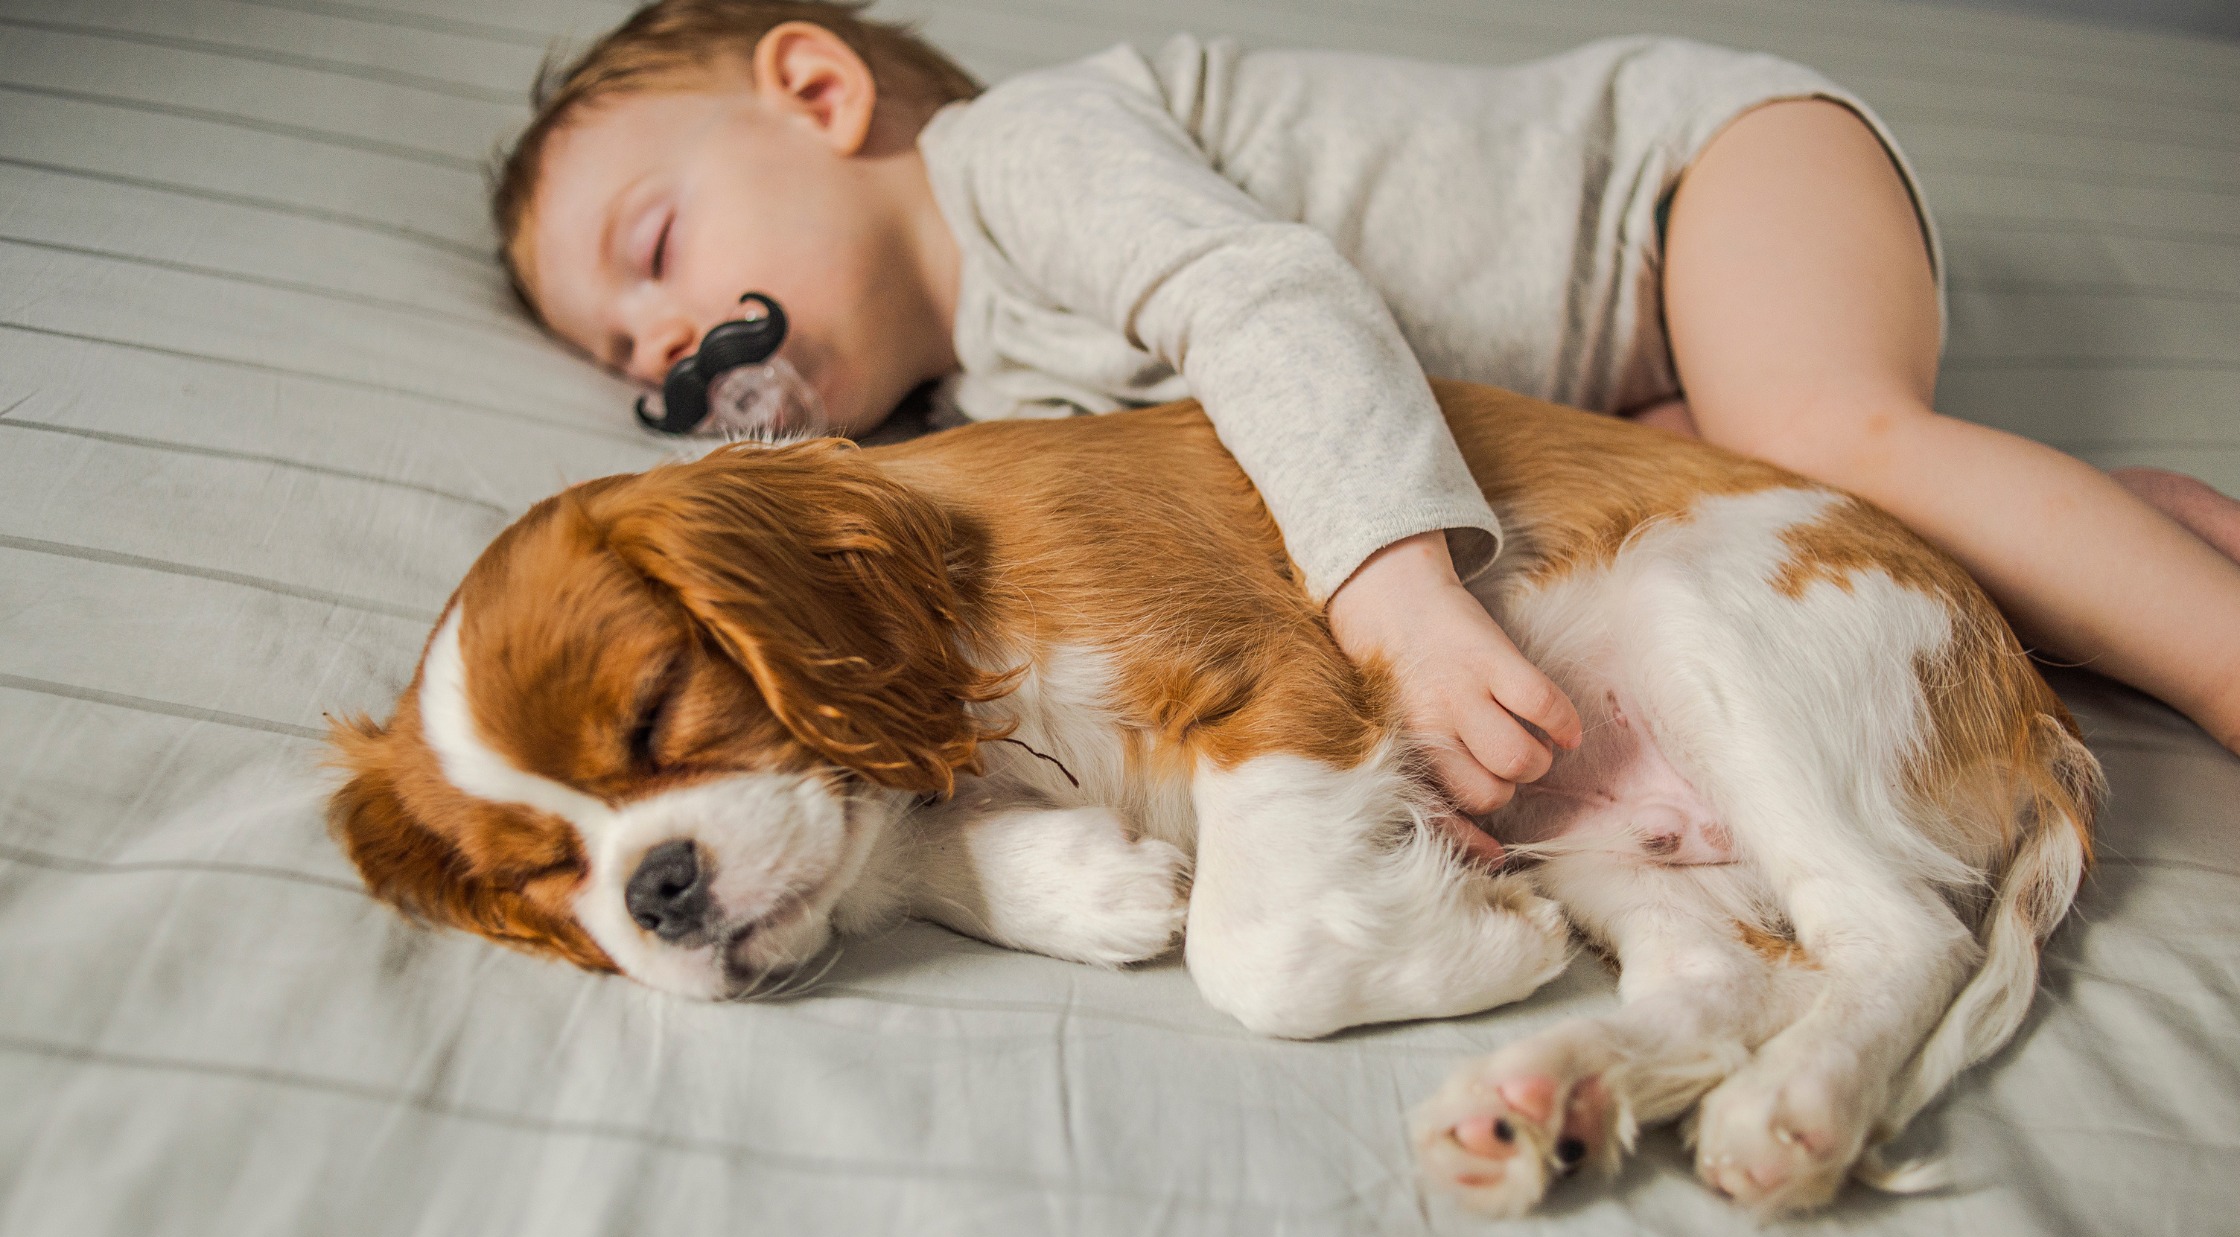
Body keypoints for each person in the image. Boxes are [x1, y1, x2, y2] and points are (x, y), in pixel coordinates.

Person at [494, 0, 2240, 828]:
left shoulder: (1018, 160)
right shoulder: (992, 401)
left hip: (1690, 180)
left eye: (653, 255)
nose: (667, 347)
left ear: (816, 89)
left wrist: (1397, 598)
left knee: (1827, 432)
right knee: (1797, 522)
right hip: (1613, 398)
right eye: (630, 355)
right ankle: (2114, 532)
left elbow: (1276, 309)